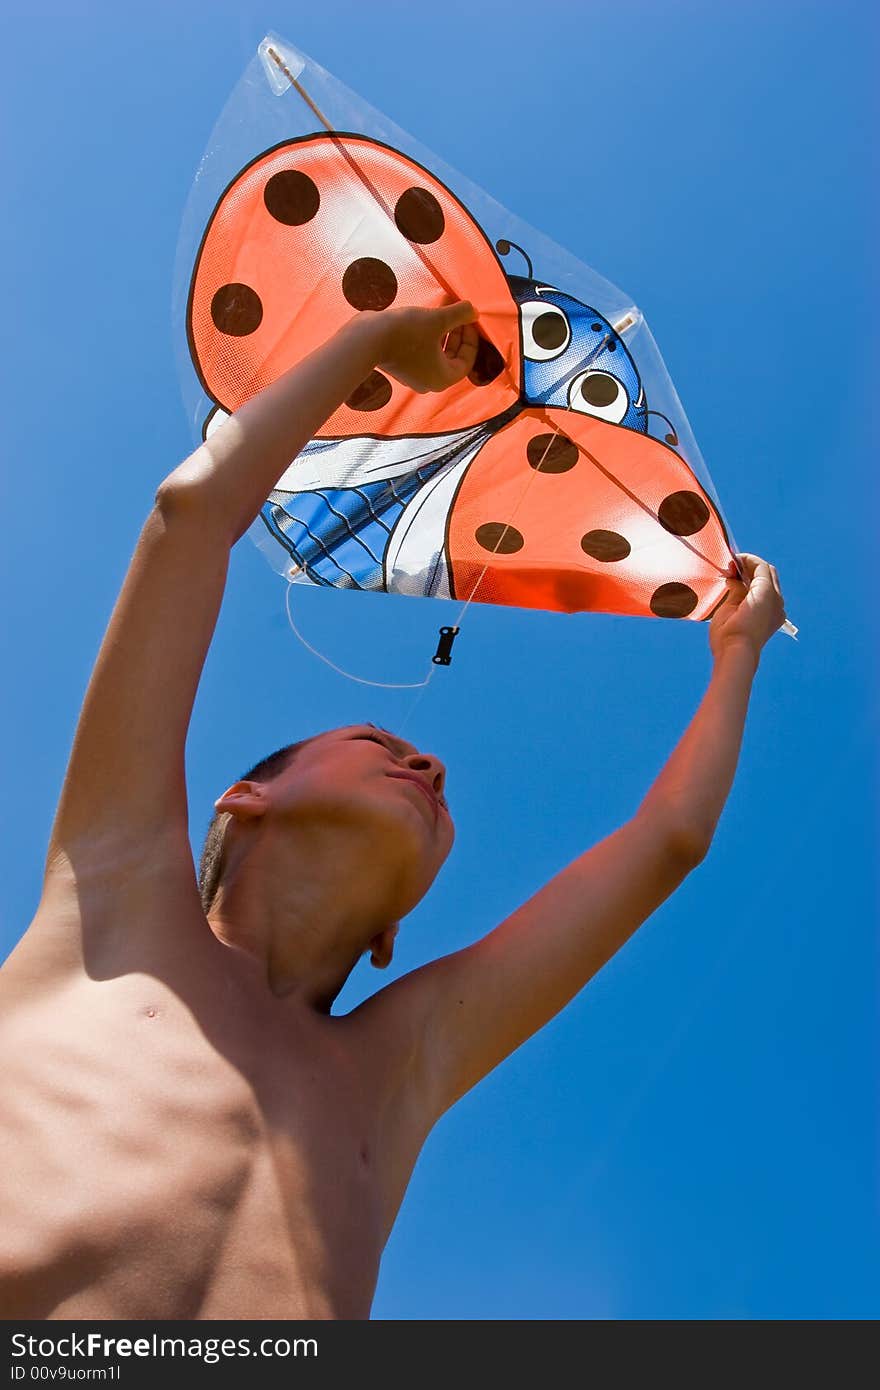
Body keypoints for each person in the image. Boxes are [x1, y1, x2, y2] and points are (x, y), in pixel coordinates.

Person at [0, 302, 786, 1319]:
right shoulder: (112, 903)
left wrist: (737, 654)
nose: (432, 762)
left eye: (422, 770)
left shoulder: (391, 1063)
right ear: (244, 798)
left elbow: (667, 842)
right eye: (380, 745)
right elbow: (189, 519)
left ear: (391, 937)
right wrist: (376, 344)